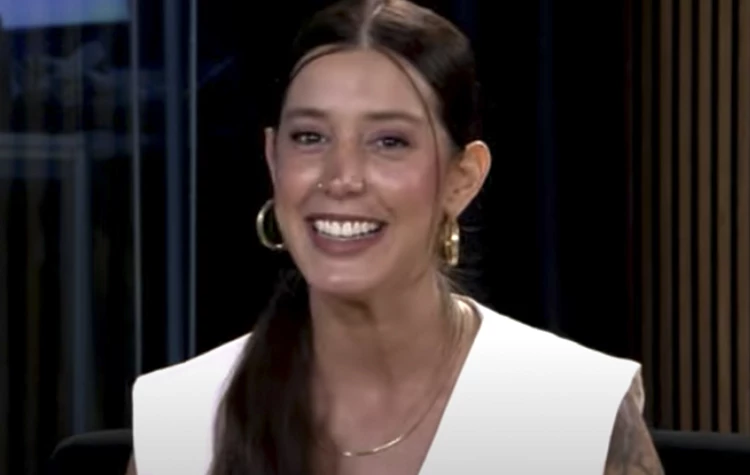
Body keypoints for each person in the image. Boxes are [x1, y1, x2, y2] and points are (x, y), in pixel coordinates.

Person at [127, 0, 663, 473]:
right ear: (273, 159)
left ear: (462, 179)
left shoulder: (574, 410)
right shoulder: (182, 421)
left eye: (389, 141)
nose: (341, 178)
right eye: (310, 137)